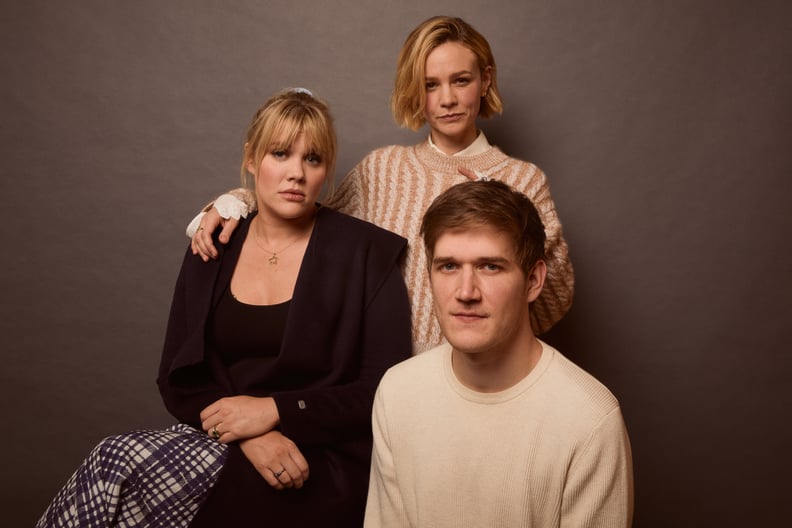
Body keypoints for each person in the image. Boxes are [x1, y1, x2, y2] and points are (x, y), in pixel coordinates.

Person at [36, 88, 412, 527]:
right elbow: (178, 376)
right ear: (251, 160)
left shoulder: (366, 253)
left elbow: (385, 391)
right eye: (280, 154)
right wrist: (248, 435)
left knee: (121, 470)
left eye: (313, 159)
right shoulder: (214, 243)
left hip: (322, 458)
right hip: (226, 438)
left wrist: (276, 412)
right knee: (114, 465)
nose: (297, 173)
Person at [187, 16, 574, 353]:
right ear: (414, 91)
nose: (448, 99)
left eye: (461, 80)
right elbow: (303, 220)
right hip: (380, 376)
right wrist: (237, 200)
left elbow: (552, 300)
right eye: (430, 85)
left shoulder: (523, 179)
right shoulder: (382, 168)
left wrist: (508, 209)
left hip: (480, 373)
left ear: (485, 80)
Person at [364, 180, 633, 527]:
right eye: (448, 266)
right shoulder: (397, 392)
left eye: (490, 266)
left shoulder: (590, 419)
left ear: (534, 281)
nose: (465, 292)